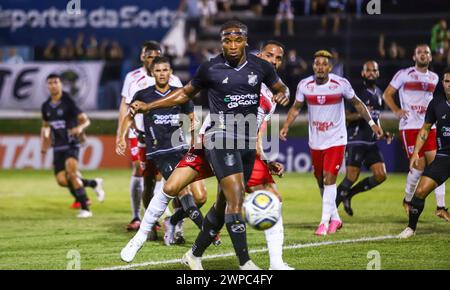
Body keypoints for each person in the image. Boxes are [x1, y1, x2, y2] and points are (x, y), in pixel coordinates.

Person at [127, 20, 290, 270]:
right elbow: (184, 94)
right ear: (258, 51)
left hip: (243, 146)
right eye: (270, 55)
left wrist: (265, 157)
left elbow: (263, 122)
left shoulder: (264, 78)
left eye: (278, 58)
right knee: (174, 185)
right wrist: (148, 106)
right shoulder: (216, 68)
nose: (274, 61)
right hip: (214, 139)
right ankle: (245, 263)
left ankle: (201, 256)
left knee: (233, 203)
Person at [280, 50, 383, 236]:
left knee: (329, 179)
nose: (320, 67)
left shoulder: (340, 84)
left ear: (329, 67)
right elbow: (296, 108)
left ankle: (323, 223)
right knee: (320, 180)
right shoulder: (305, 85)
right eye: (317, 64)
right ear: (313, 66)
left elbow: (359, 104)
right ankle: (335, 217)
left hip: (336, 139)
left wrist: (372, 123)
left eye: (323, 64)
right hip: (316, 141)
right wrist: (286, 125)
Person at [117, 56, 206, 256]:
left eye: (165, 70)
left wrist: (195, 129)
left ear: (170, 72)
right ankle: (203, 229)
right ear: (153, 73)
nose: (162, 74)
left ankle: (172, 221)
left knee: (200, 197)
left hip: (181, 148)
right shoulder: (143, 94)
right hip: (159, 151)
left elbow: (193, 118)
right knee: (174, 190)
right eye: (158, 71)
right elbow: (128, 116)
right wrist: (121, 137)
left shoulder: (180, 95)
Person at [116, 41, 182, 233]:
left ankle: (163, 215)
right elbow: (125, 107)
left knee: (164, 176)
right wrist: (120, 133)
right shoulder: (133, 78)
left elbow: (184, 107)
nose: (153, 60)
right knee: (140, 171)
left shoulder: (174, 81)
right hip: (138, 133)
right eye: (149, 56)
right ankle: (138, 216)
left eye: (156, 57)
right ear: (142, 57)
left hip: (166, 136)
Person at [383, 44, 448, 220]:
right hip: (410, 127)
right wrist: (396, 110)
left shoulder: (435, 78)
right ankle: (407, 200)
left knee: (438, 166)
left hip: (430, 126)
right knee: (418, 167)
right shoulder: (404, 74)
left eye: (426, 52)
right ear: (414, 56)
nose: (423, 55)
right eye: (419, 52)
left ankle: (441, 207)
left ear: (430, 57)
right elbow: (387, 94)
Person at [40, 74, 105, 218]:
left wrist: (79, 129)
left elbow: (85, 121)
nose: (53, 85)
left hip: (71, 144)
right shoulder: (45, 106)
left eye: (56, 82)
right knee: (62, 181)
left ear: (61, 84)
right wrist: (44, 140)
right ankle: (93, 183)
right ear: (47, 86)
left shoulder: (68, 101)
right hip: (57, 146)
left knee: (72, 173)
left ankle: (86, 209)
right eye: (50, 83)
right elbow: (45, 126)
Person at [398, 67, 450, 239]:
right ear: (442, 83)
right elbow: (425, 129)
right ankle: (411, 228)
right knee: (420, 192)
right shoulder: (436, 103)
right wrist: (415, 153)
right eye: (447, 81)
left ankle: (441, 208)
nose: (449, 85)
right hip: (444, 156)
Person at [336, 60, 390, 216]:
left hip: (371, 142)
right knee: (351, 177)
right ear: (363, 73)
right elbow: (346, 116)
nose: (371, 73)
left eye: (374, 70)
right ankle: (330, 212)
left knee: (381, 175)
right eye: (368, 70)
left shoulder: (379, 94)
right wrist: (363, 114)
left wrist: (382, 132)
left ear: (378, 73)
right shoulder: (356, 93)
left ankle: (350, 195)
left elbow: (376, 118)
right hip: (356, 140)